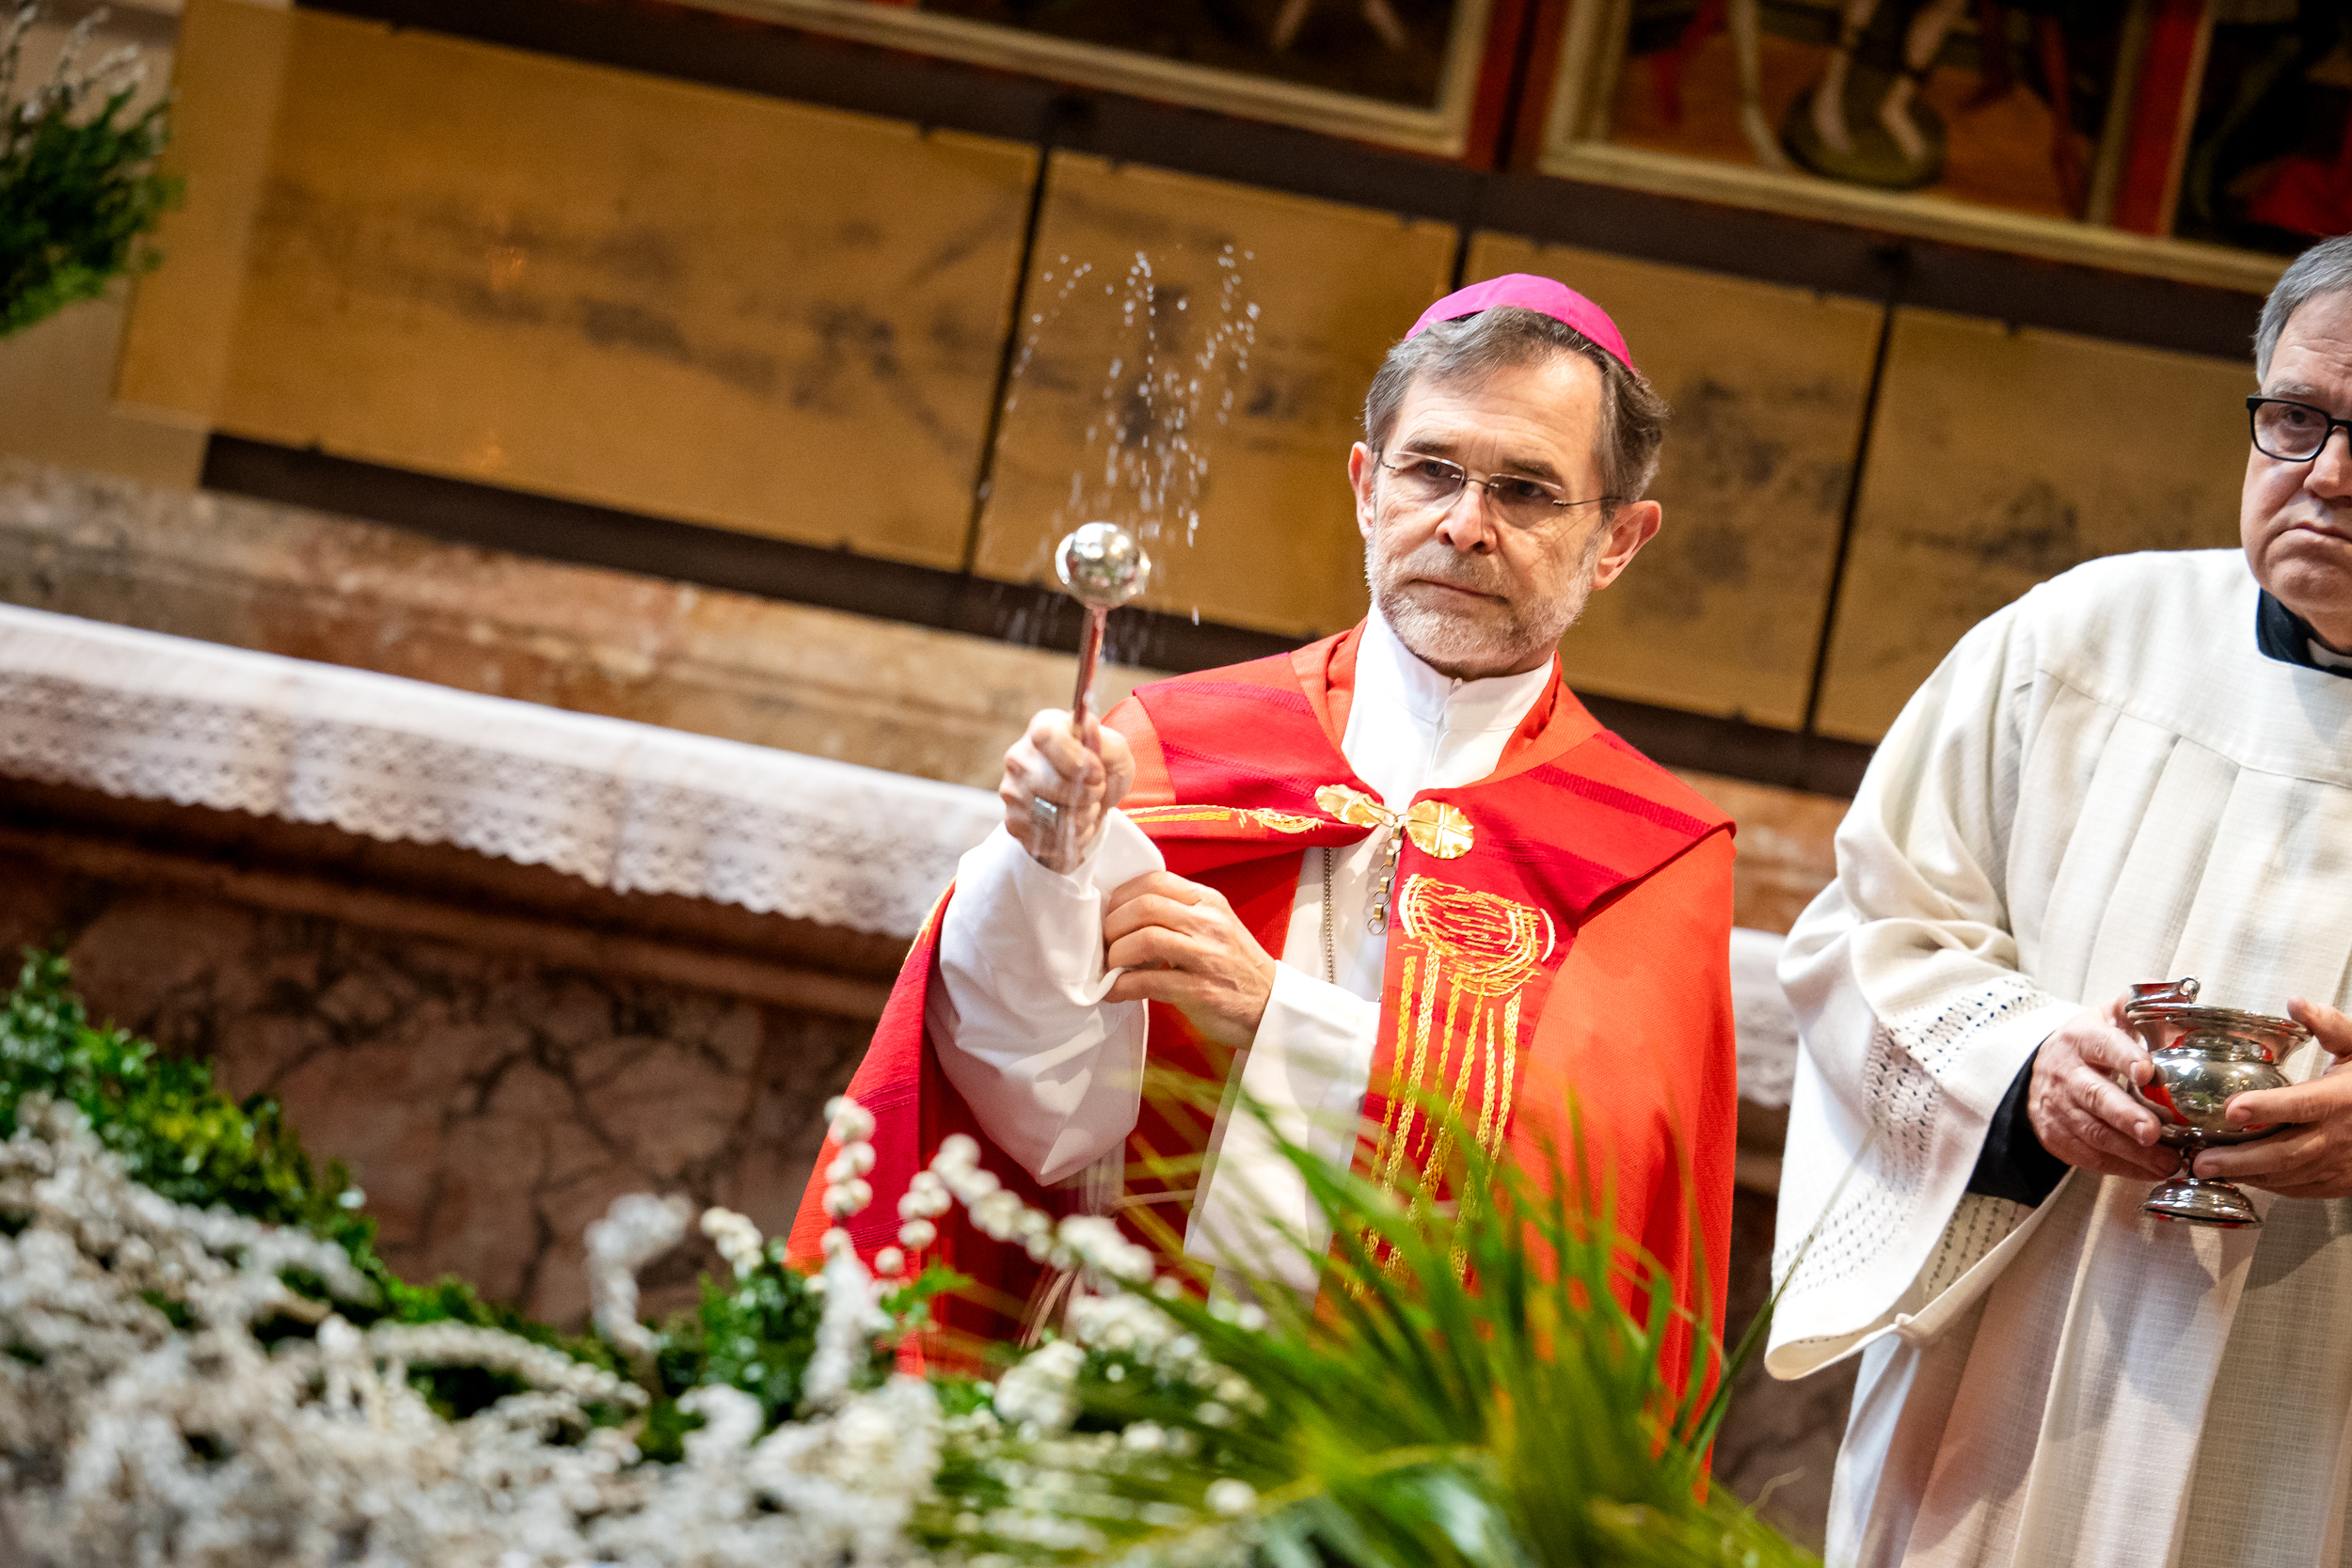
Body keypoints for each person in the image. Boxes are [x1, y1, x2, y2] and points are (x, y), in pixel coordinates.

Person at [790, 275, 1739, 1374]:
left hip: (1412, 1432)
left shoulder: (1648, 853)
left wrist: (1273, 1016)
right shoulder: (1174, 744)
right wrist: (1044, 873)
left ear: (1617, 539)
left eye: (1524, 490)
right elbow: (1035, 1116)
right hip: (1120, 1376)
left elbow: (1591, 1201)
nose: (1463, 525)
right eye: (1430, 469)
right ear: (1365, 486)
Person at [1769, 232, 2352, 1567]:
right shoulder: (2082, 644)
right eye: (2295, 419)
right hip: (2018, 1378)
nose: (2328, 475)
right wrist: (2021, 1068)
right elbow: (1866, 934)